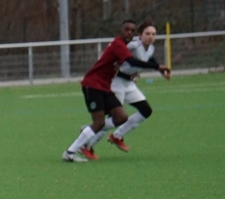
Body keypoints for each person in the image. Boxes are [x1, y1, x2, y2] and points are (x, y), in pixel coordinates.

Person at [62, 19, 170, 163]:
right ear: (120, 31)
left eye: (132, 31)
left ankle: (91, 131)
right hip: (93, 84)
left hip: (105, 86)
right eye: (127, 30)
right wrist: (157, 67)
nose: (129, 33)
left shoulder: (125, 46)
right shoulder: (118, 45)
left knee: (121, 117)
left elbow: (139, 60)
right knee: (99, 122)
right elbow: (131, 61)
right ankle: (70, 152)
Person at [104, 19, 169, 152]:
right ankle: (87, 136)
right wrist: (157, 67)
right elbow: (131, 61)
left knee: (146, 110)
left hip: (129, 84)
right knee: (114, 118)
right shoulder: (132, 46)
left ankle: (117, 135)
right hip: (116, 82)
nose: (151, 36)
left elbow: (149, 59)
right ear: (140, 35)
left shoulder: (150, 48)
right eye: (147, 33)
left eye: (153, 34)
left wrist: (161, 71)